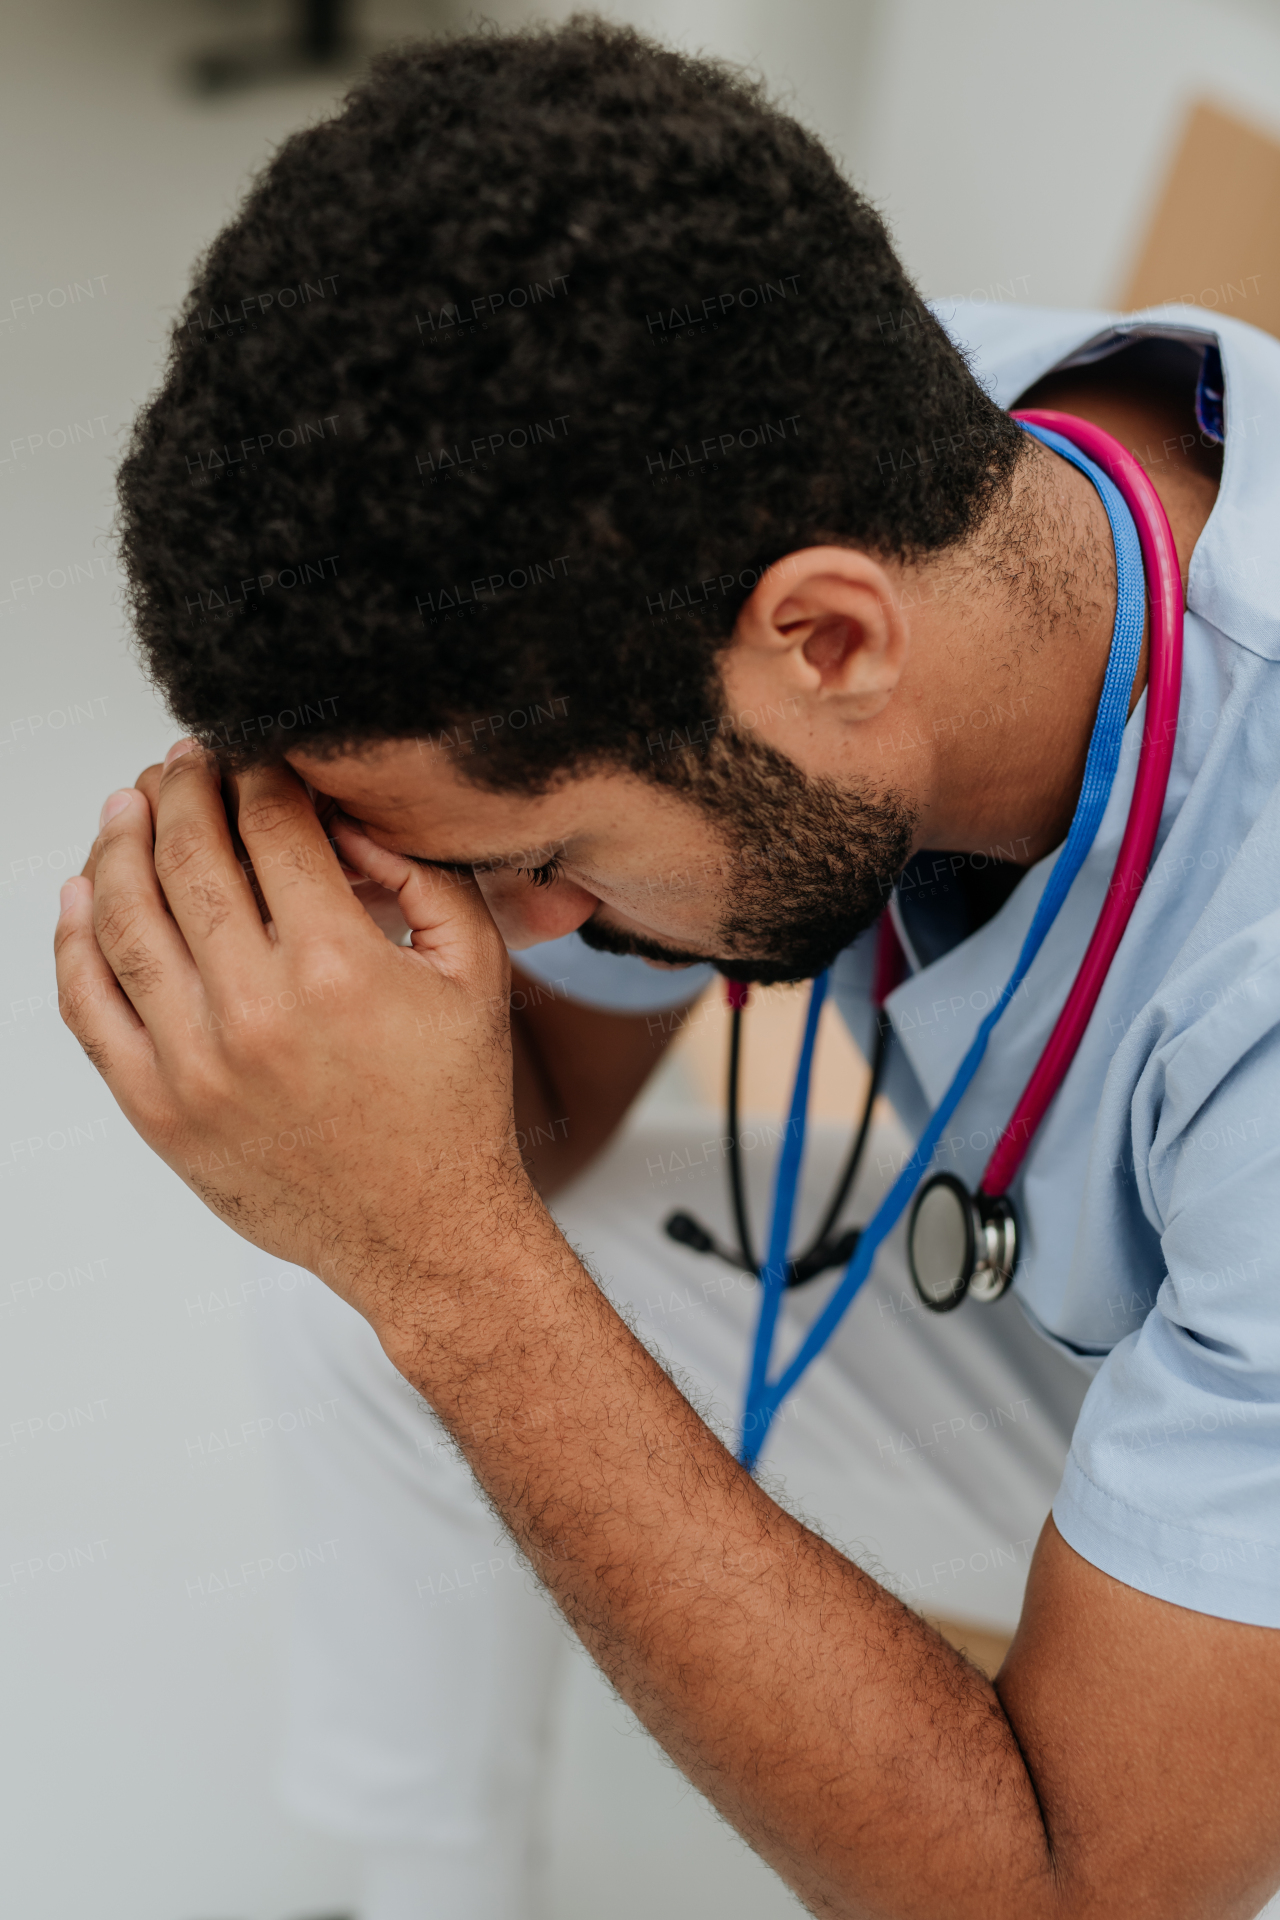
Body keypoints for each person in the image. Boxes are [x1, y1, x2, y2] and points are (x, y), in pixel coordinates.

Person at [57, 20, 1280, 1919]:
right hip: (1147, 1321)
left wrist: (447, 1258)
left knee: (434, 1267)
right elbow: (539, 1114)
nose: (526, 932)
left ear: (830, 645)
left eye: (542, 862)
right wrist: (345, 1071)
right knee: (357, 1284)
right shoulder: (851, 459)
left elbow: (1089, 1891)